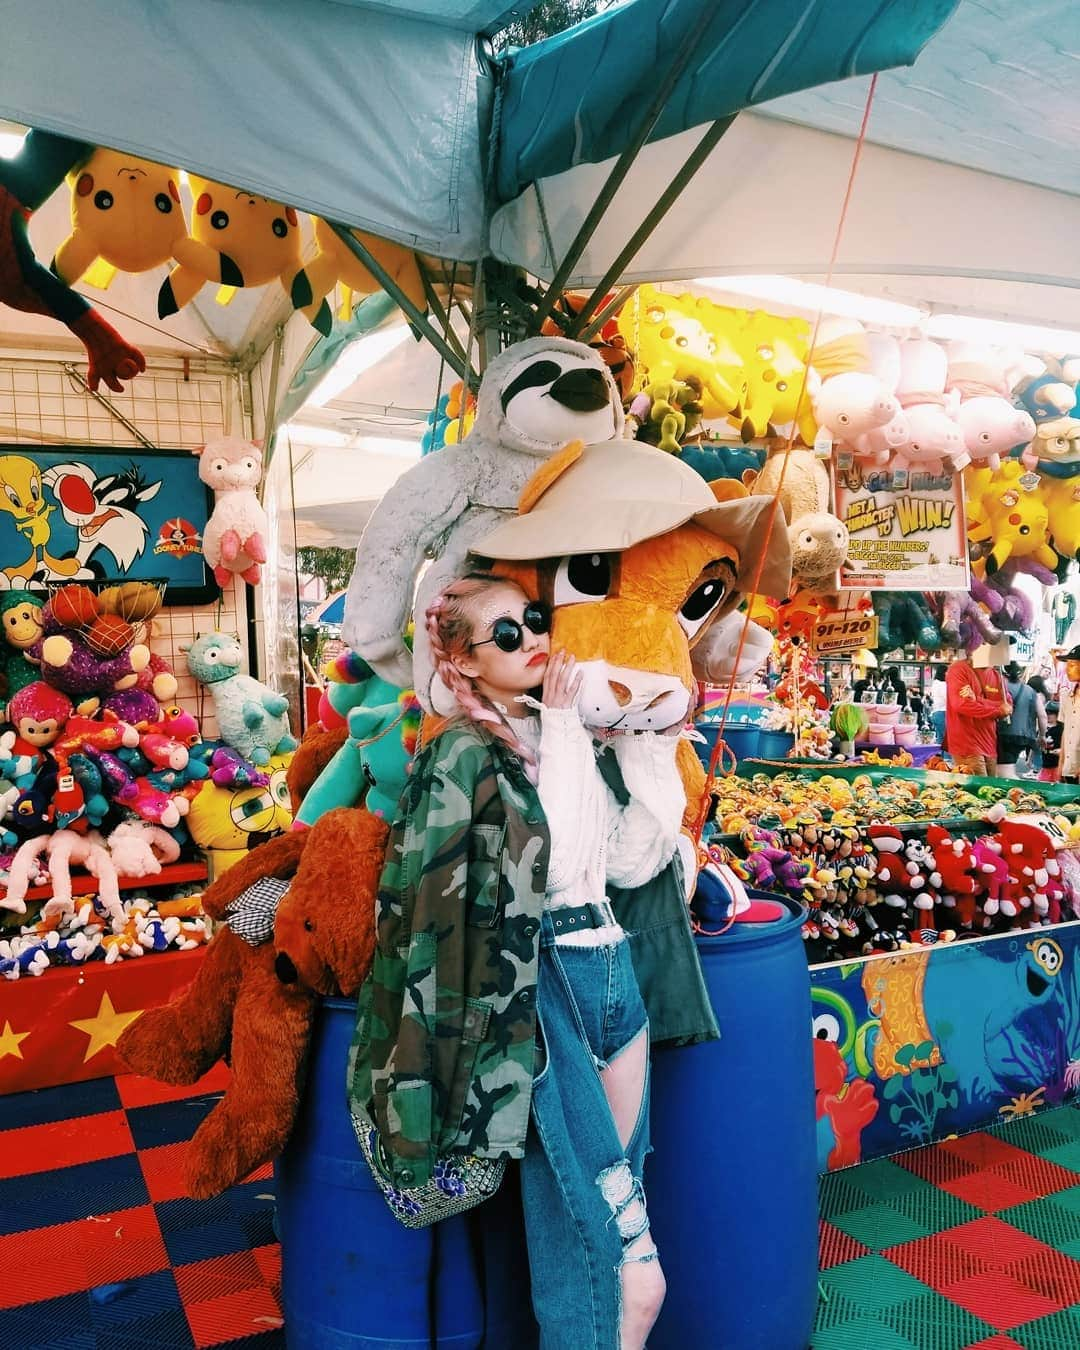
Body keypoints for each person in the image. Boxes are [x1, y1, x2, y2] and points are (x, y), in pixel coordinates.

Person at [347, 572, 716, 1349]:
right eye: (508, 633)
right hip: (539, 983)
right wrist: (572, 732)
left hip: (613, 964)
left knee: (589, 1209)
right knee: (615, 1244)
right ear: (466, 661)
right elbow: (533, 874)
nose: (535, 639)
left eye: (537, 620)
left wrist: (651, 744)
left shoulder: (555, 728)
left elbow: (626, 862)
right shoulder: (462, 750)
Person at [945, 650, 1011, 777]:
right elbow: (962, 705)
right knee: (974, 790)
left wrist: (978, 700)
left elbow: (1008, 707)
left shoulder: (996, 675)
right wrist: (997, 709)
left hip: (989, 743)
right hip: (966, 744)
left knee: (990, 789)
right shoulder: (958, 669)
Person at [997, 662, 1039, 778]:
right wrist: (1041, 736)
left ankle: (1019, 792)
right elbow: (1042, 715)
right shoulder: (1030, 690)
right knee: (1006, 769)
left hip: (1004, 734)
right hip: (1023, 736)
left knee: (1004, 772)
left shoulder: (1000, 687)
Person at [1061, 645, 1080, 784]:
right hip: (1069, 767)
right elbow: (1065, 732)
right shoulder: (1068, 696)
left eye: (1072, 665)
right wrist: (1061, 764)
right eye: (1067, 664)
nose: (1067, 669)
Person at [1042, 701, 1063, 782]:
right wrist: (1029, 759)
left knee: (1057, 786)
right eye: (1046, 713)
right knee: (1043, 786)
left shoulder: (1061, 729)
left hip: (1057, 765)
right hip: (1045, 765)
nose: (1048, 715)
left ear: (1057, 715)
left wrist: (1061, 751)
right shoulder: (1043, 728)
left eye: (1051, 713)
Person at [930, 664, 948, 746]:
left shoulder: (935, 683)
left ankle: (939, 758)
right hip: (943, 713)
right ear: (944, 673)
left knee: (940, 741)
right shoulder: (943, 684)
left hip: (935, 713)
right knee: (948, 741)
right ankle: (947, 759)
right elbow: (948, 699)